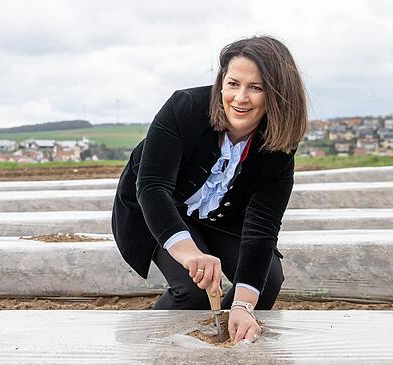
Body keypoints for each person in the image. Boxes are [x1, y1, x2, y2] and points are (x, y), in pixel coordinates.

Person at [112, 36, 308, 343]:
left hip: (218, 215)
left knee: (266, 279)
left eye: (255, 88)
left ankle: (221, 335)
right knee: (194, 287)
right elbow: (152, 187)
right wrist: (191, 254)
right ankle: (146, 346)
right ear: (221, 82)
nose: (240, 97)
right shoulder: (184, 108)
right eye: (233, 83)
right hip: (155, 207)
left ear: (277, 94)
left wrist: (243, 305)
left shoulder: (279, 145)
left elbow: (263, 225)